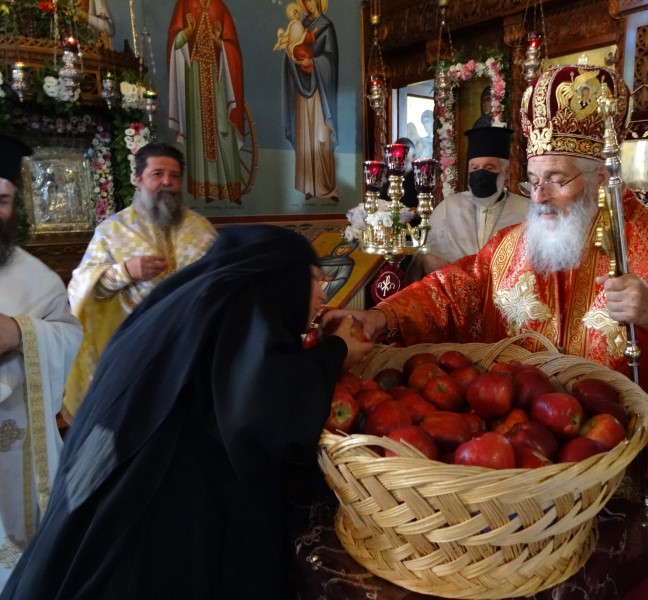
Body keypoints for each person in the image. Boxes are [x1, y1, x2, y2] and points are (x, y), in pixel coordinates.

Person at [323, 64, 648, 557]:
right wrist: (384, 317)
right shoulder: (514, 245)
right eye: (533, 179)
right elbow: (453, 289)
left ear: (600, 178)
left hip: (608, 473)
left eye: (556, 180)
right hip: (511, 468)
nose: (539, 198)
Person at [0, 224, 374, 600]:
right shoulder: (240, 307)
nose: (323, 291)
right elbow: (263, 414)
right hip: (163, 510)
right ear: (280, 274)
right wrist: (337, 350)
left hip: (116, 479)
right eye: (313, 278)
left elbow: (243, 377)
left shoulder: (198, 296)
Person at [63, 142, 217, 422]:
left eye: (174, 176)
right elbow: (82, 287)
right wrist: (126, 271)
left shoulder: (201, 228)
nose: (167, 182)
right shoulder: (112, 231)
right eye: (157, 174)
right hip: (136, 347)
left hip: (193, 342)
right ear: (138, 179)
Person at [0, 135, 83, 592]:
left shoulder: (35, 276)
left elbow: (70, 333)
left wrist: (20, 333)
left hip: (18, 448)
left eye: (3, 201)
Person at [419, 126, 528, 274]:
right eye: (475, 168)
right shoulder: (447, 208)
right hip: (456, 290)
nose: (481, 174)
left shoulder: (526, 210)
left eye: (489, 168)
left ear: (506, 173)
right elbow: (427, 256)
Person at [167, 0, 245, 203]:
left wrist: (220, 42)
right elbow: (174, 41)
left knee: (223, 127)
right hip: (193, 76)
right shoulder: (184, 4)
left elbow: (233, 47)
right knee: (198, 129)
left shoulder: (220, 7)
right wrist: (186, 34)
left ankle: (229, 189)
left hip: (218, 75)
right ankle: (205, 189)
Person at [282, 0, 339, 202]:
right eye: (304, 1)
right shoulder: (301, 25)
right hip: (301, 88)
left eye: (311, 0)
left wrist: (313, 62)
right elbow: (291, 47)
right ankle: (308, 186)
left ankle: (327, 187)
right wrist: (291, 56)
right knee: (306, 136)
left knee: (321, 136)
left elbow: (331, 60)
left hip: (319, 91)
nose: (308, 3)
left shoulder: (326, 25)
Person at [273, 2, 316, 73]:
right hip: (296, 48)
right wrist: (311, 33)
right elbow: (302, 38)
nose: (308, 5)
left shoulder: (299, 24)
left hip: (298, 48)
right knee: (306, 54)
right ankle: (307, 68)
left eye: (296, 12)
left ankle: (309, 68)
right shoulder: (295, 24)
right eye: (294, 14)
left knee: (308, 54)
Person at [380, 137, 419, 209]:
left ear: (413, 157)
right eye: (396, 158)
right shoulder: (388, 177)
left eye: (405, 158)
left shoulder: (419, 179)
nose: (400, 162)